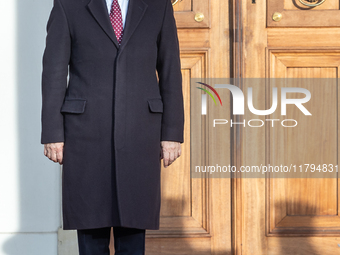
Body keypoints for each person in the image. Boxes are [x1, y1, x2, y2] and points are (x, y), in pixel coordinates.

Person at [40, 0, 184, 253]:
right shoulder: (68, 5)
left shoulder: (158, 6)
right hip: (84, 133)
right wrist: (53, 133)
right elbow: (53, 72)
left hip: (141, 130)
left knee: (133, 225)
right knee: (90, 224)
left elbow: (171, 70)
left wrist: (172, 133)